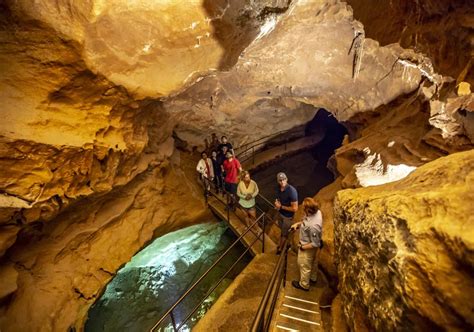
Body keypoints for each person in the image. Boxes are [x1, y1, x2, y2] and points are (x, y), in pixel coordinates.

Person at [290, 197, 323, 291]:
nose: (302, 209)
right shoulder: (317, 213)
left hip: (307, 247)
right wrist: (298, 224)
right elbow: (306, 221)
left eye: (304, 207)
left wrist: (302, 247)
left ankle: (304, 285)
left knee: (304, 265)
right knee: (313, 261)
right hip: (310, 243)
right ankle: (312, 278)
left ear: (308, 210)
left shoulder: (314, 226)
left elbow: (315, 243)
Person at [274, 172, 298, 254]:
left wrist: (281, 207)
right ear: (278, 181)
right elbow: (278, 198)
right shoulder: (278, 188)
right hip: (280, 214)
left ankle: (280, 249)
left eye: (284, 179)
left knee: (284, 234)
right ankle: (287, 243)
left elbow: (295, 209)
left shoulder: (291, 191)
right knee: (283, 231)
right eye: (280, 180)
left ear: (287, 179)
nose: (282, 182)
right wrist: (276, 203)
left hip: (288, 217)